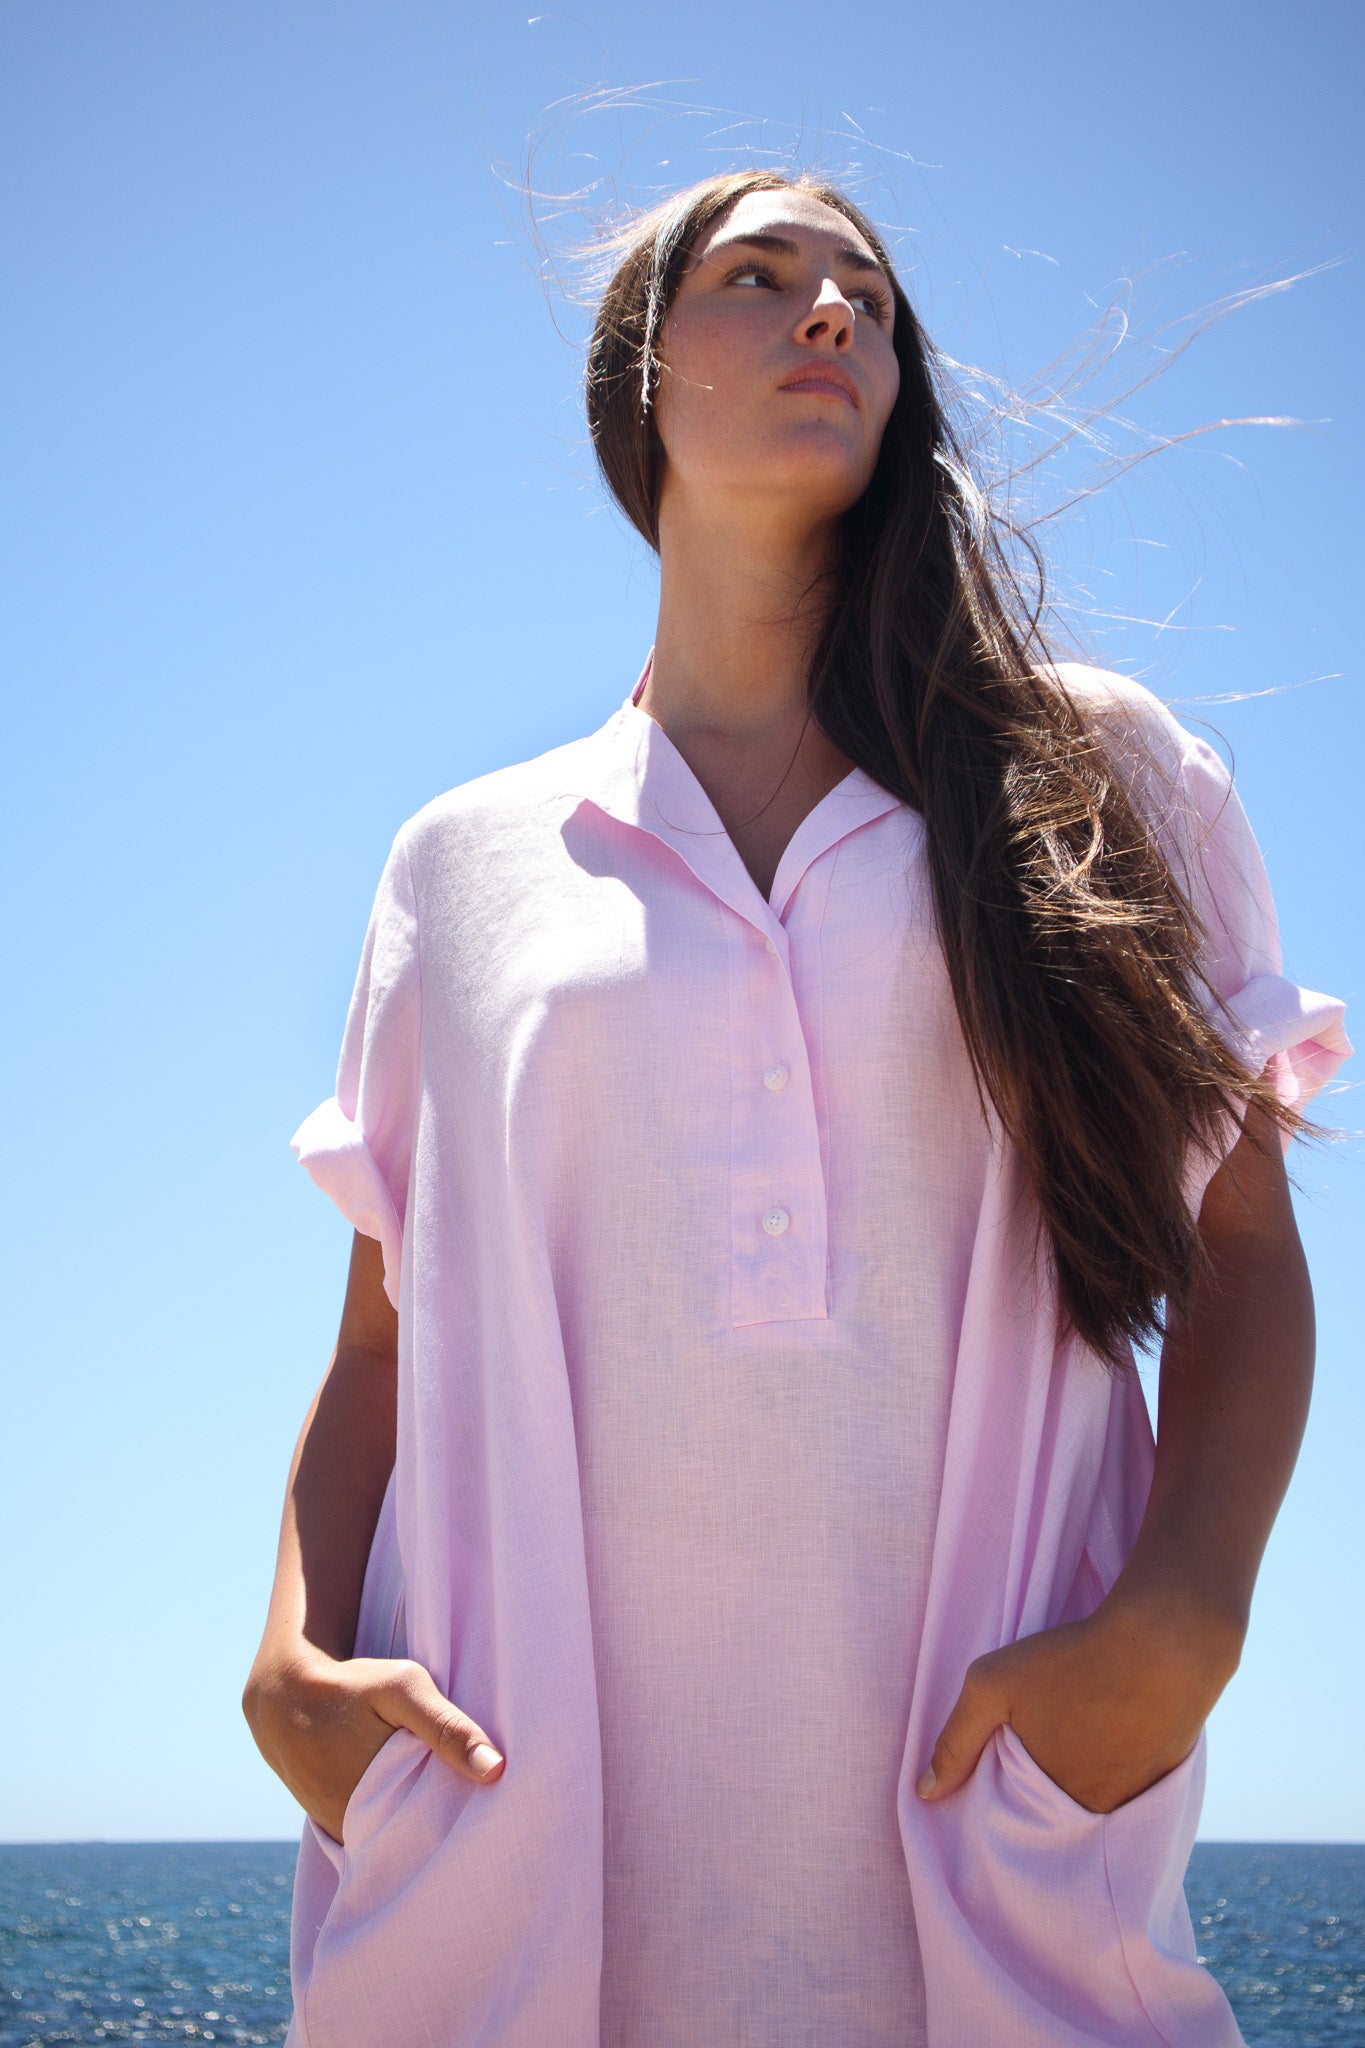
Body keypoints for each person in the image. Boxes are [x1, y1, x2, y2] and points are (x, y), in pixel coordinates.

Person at [242, 168, 1351, 2047]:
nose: (830, 309)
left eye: (867, 293)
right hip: (506, 1880)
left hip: (981, 1859)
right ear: (640, 375)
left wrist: (1186, 1619)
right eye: (761, 275)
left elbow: (1242, 1252)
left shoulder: (1095, 776)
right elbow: (381, 1340)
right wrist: (287, 1666)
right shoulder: (461, 861)